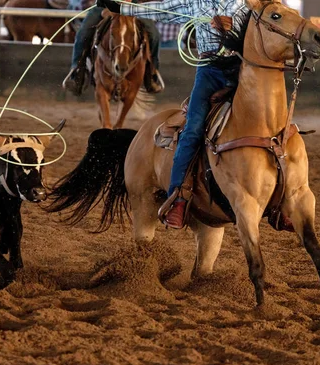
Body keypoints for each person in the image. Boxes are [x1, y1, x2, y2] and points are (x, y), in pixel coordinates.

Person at [94, 0, 248, 229]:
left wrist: (235, 28)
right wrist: (119, 8)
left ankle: (283, 198)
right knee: (193, 129)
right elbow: (159, 10)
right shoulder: (197, 4)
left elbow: (267, 29)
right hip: (210, 71)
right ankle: (178, 197)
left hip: (245, 69)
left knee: (272, 122)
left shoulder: (249, 6)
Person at [62, 3, 165, 95]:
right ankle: (77, 72)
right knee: (82, 34)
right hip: (104, 6)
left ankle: (151, 74)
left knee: (154, 36)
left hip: (133, 7)